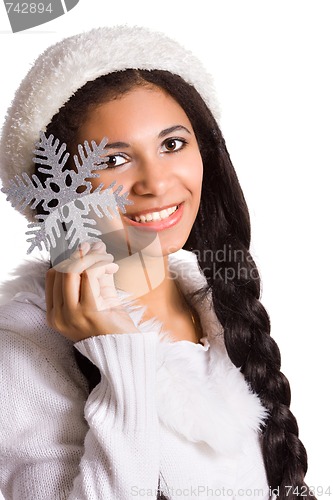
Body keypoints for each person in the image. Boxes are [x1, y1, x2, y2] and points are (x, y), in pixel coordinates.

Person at [0, 26, 314, 500]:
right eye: (114, 159)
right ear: (62, 189)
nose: (157, 182)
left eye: (172, 145)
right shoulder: (22, 351)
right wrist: (118, 356)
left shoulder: (216, 302)